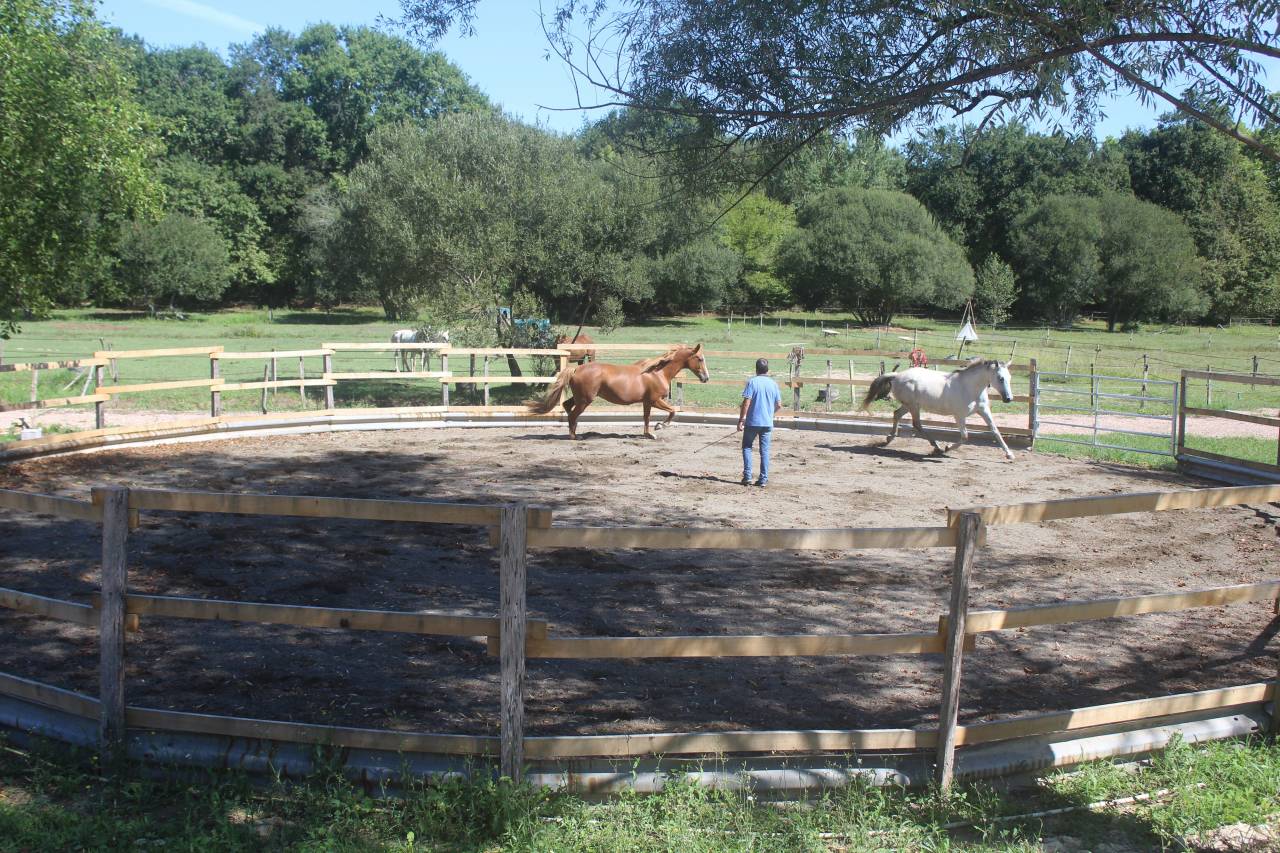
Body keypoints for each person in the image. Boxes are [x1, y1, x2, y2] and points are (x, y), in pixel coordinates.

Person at [737, 358, 782, 487]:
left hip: (752, 422)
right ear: (768, 370)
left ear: (756, 369)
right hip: (767, 423)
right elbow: (779, 405)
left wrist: (741, 419)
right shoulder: (773, 384)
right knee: (765, 451)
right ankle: (763, 479)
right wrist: (769, 414)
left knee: (747, 447)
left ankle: (747, 476)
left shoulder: (752, 382)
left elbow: (746, 403)